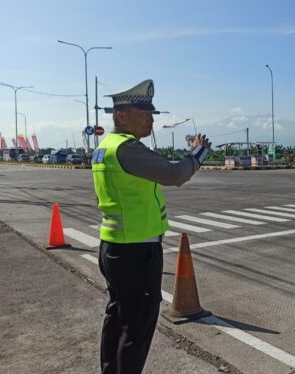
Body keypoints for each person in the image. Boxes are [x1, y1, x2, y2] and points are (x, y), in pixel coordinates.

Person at [92, 79, 211, 374]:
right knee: (137, 329)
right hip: (136, 251)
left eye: (152, 114)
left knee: (117, 319)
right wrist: (198, 154)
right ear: (121, 116)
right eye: (144, 113)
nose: (151, 119)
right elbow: (173, 174)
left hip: (115, 246)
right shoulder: (127, 149)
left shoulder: (106, 145)